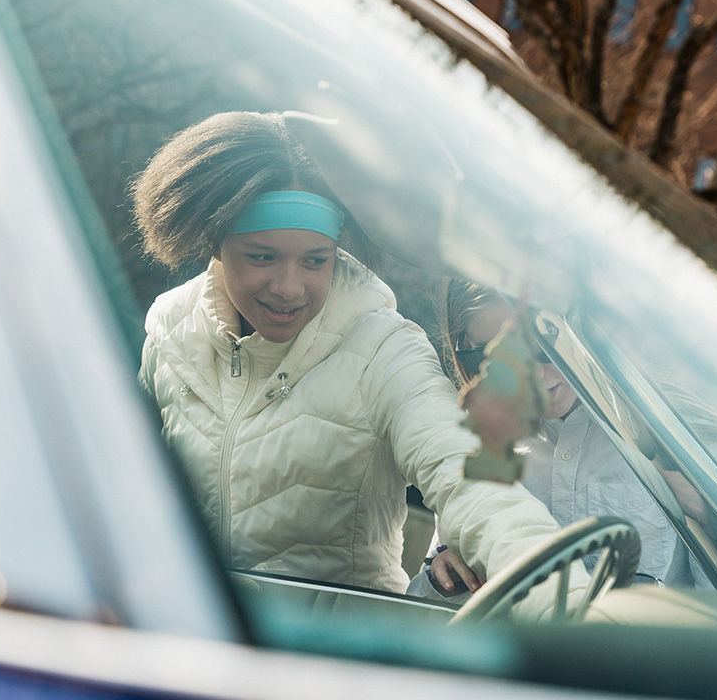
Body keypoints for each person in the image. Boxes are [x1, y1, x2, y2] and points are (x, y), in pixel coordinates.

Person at [131, 111, 586, 618]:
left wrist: (567, 602)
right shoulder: (169, 332)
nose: (288, 286)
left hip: (337, 661)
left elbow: (470, 477)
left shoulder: (385, 351)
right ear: (216, 241)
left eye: (315, 259)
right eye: (261, 257)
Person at [412, 280, 717, 601]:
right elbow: (425, 609)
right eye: (495, 356)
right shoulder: (478, 450)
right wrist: (441, 573)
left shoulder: (695, 447)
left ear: (584, 327)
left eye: (539, 344)